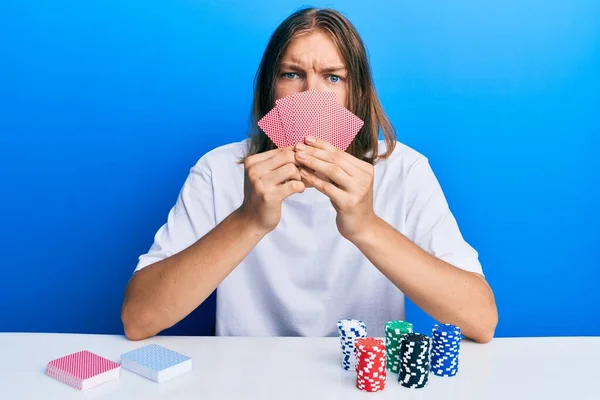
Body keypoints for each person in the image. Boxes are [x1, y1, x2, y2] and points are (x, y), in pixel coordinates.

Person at [121, 7, 498, 342]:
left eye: (333, 78)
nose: (310, 96)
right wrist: (248, 220)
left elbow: (480, 320)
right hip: (246, 381)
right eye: (292, 74)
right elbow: (139, 319)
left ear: (358, 94)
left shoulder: (404, 170)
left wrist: (365, 226)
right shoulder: (219, 169)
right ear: (271, 89)